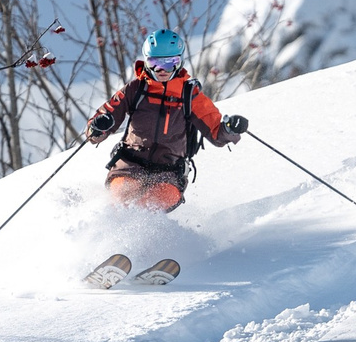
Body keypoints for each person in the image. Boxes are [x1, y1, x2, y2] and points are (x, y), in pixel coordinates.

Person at [84, 28, 246, 211]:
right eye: (154, 62)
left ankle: (150, 237)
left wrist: (230, 129)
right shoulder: (136, 89)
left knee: (156, 200)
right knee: (124, 193)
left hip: (168, 170)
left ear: (180, 61)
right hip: (130, 163)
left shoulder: (189, 95)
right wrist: (99, 127)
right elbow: (101, 120)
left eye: (170, 63)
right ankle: (106, 229)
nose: (161, 70)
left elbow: (216, 130)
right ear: (146, 60)